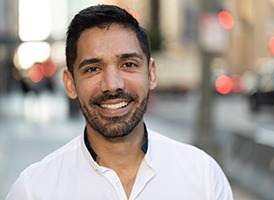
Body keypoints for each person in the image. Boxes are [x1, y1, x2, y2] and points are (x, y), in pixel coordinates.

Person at [6, 4, 233, 200]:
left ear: (151, 74)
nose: (112, 85)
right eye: (93, 69)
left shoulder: (202, 176)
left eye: (129, 65)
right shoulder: (34, 190)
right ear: (70, 83)